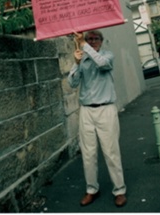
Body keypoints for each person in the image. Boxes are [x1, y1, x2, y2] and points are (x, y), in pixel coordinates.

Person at [68, 30, 127, 207]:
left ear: (101, 41)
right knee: (88, 153)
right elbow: (72, 83)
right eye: (89, 39)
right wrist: (76, 63)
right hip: (87, 110)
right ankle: (91, 189)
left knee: (111, 152)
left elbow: (102, 64)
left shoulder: (107, 55)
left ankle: (119, 190)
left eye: (95, 38)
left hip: (106, 109)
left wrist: (84, 45)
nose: (92, 41)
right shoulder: (82, 57)